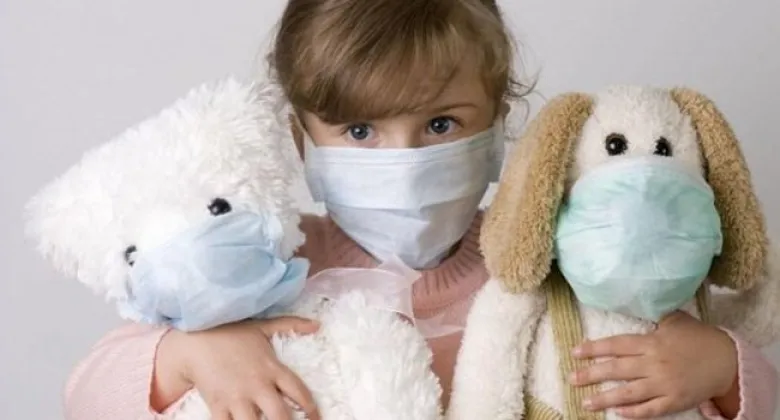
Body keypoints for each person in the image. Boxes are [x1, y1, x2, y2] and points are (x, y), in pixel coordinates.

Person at [63, 1, 778, 419]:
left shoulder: (557, 264)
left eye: (440, 125)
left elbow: (746, 392)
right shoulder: (262, 270)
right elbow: (87, 395)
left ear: (497, 127)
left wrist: (722, 367)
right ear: (301, 142)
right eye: (359, 131)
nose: (403, 159)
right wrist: (191, 354)